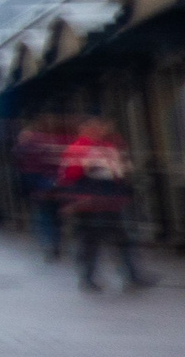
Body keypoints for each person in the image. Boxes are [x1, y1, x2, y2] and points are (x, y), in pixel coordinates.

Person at [58, 116, 157, 294]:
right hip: (92, 203)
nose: (100, 131)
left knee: (118, 239)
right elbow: (71, 177)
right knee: (93, 241)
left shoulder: (106, 147)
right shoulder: (79, 149)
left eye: (101, 127)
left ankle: (129, 275)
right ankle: (91, 278)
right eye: (95, 127)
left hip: (108, 202)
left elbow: (118, 173)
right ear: (85, 129)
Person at [13, 117, 70, 260]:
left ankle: (49, 245)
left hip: (40, 189)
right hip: (55, 186)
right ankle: (55, 244)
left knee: (44, 217)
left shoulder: (28, 147)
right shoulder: (53, 143)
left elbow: (20, 162)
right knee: (55, 217)